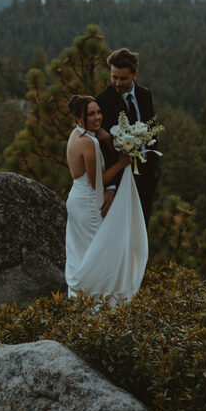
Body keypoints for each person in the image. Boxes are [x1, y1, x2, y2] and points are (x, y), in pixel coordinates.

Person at [64, 95, 148, 301]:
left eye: (98, 112)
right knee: (99, 255)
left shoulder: (76, 135)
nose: (97, 117)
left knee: (84, 255)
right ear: (78, 118)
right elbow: (96, 184)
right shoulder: (89, 143)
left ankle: (82, 303)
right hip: (89, 205)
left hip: (77, 199)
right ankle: (98, 307)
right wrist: (121, 163)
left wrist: (107, 139)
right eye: (90, 114)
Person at [96, 47, 160, 226]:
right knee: (121, 229)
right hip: (120, 176)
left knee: (142, 227)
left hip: (146, 176)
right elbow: (102, 149)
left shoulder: (145, 95)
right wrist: (110, 186)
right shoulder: (103, 100)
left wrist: (154, 170)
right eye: (113, 77)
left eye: (122, 78)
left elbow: (151, 128)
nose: (117, 83)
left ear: (135, 74)